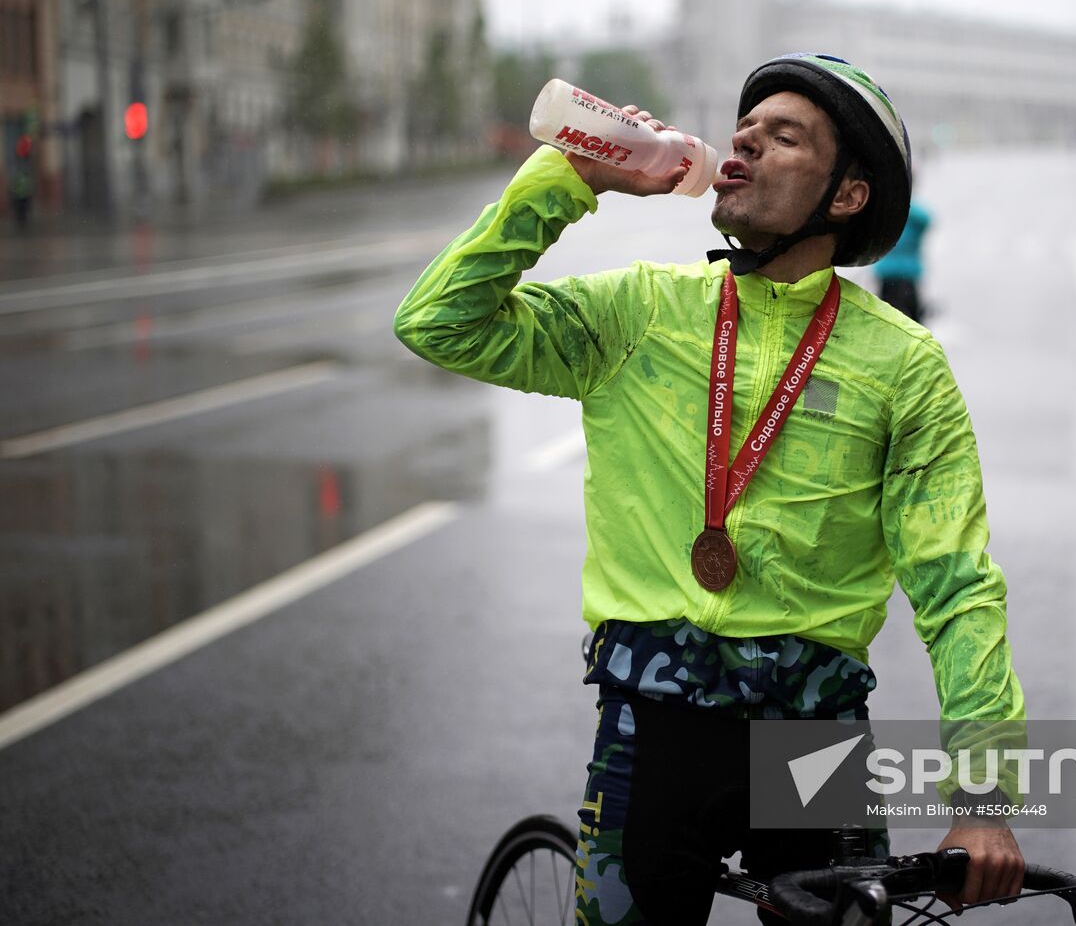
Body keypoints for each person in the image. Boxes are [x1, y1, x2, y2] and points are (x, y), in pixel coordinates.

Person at [395, 53, 1024, 924]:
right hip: (657, 723)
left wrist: (984, 800)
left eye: (785, 136)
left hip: (814, 739)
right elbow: (437, 321)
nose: (746, 145)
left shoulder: (903, 367)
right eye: (744, 131)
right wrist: (568, 178)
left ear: (847, 195)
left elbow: (958, 588)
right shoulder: (640, 312)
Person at [874, 190, 933, 322]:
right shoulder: (913, 216)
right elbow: (926, 220)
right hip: (900, 275)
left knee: (888, 318)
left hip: (894, 274)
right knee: (912, 320)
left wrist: (900, 205)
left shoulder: (889, 212)